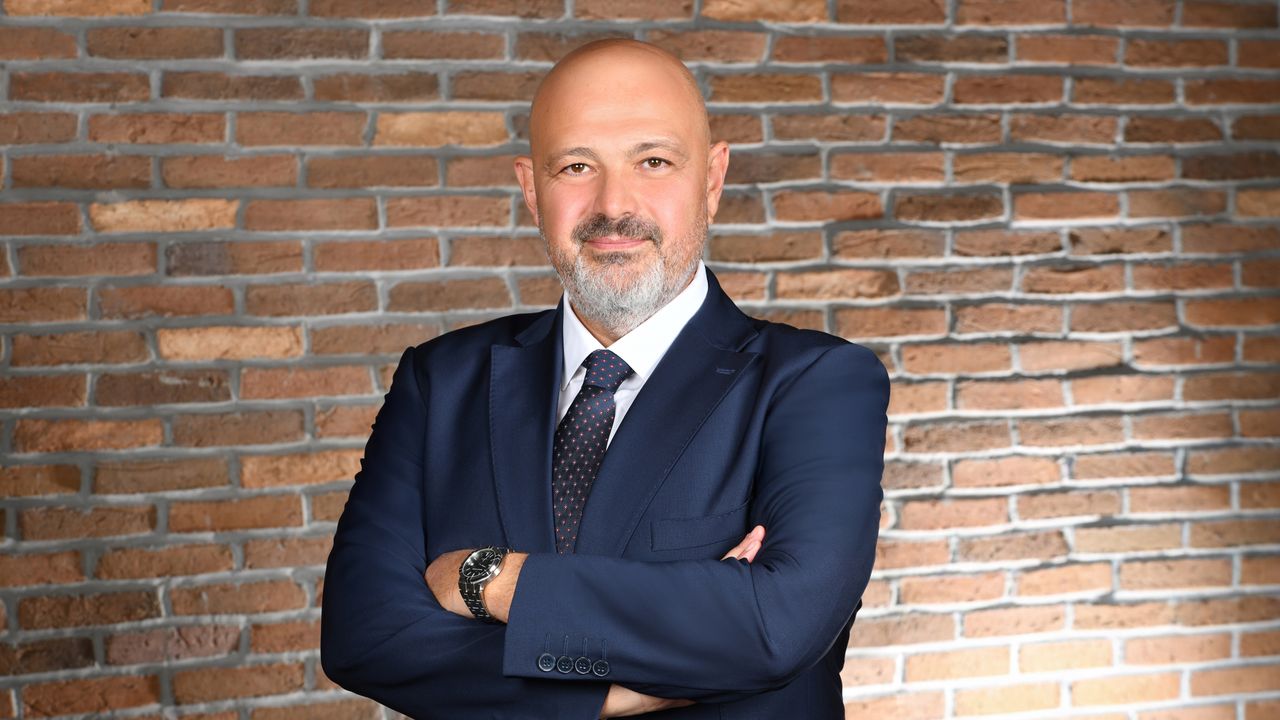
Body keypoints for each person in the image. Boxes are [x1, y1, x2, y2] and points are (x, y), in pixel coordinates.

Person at [320, 38, 889, 719]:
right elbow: (365, 636)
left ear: (712, 180)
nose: (614, 204)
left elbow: (775, 627)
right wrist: (621, 686)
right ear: (531, 190)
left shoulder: (819, 383)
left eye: (653, 161)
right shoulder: (440, 381)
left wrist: (490, 579)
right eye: (576, 166)